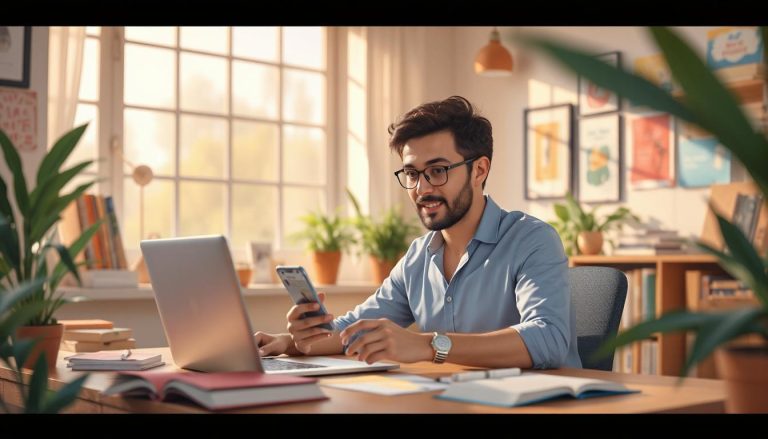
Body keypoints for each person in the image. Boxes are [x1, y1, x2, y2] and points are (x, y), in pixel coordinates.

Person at [255, 96, 581, 369]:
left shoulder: (532, 240)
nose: (422, 188)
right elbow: (357, 329)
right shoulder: (418, 257)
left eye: (437, 171)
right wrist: (296, 341)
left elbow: (547, 339)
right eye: (412, 173)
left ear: (479, 170)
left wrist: (428, 346)